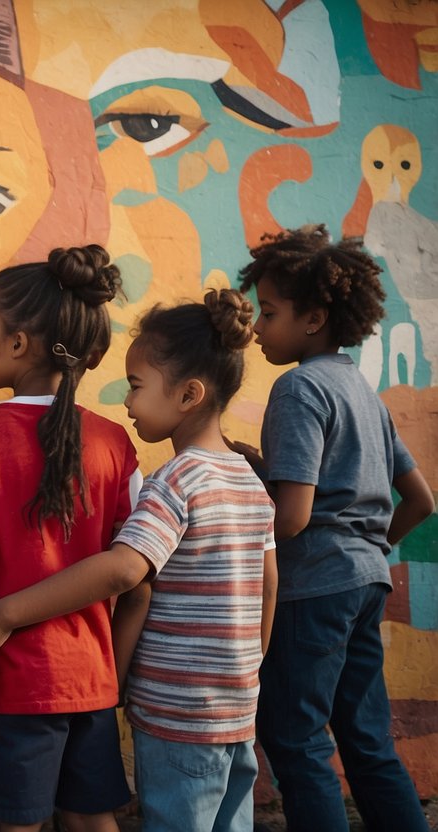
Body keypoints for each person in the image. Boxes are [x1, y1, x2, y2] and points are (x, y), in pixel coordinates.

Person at [0, 289, 279, 832]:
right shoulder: (249, 477)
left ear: (189, 394)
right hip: (236, 707)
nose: (126, 403)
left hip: (178, 708)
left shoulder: (174, 480)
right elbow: (269, 585)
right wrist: (246, 671)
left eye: (136, 386)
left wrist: (4, 614)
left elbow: (129, 571)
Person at [233, 226, 434, 832]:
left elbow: (293, 517)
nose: (258, 328)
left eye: (269, 313)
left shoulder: (298, 388)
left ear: (315, 316)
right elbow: (421, 500)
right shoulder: (361, 391)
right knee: (366, 737)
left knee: (295, 740)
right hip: (367, 583)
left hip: (313, 589)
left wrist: (241, 517)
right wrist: (369, 549)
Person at [0, 246, 138, 832]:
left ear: (20, 344)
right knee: (92, 820)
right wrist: (113, 679)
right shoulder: (117, 445)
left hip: (14, 687)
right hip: (93, 681)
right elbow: (136, 581)